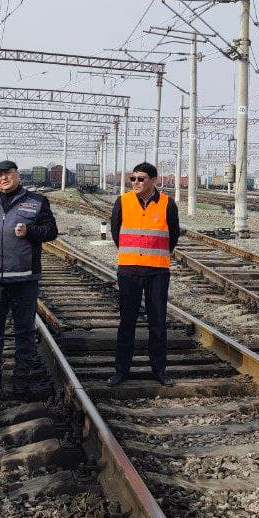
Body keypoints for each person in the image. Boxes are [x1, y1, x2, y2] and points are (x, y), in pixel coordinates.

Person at [0, 160, 57, 399]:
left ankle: (22, 383)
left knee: (25, 333)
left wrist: (30, 231)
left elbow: (51, 231)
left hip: (24, 280)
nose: (4, 178)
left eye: (8, 174)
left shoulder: (37, 202)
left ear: (16, 175)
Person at [108, 162, 180, 388]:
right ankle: (121, 371)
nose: (136, 183)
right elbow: (116, 231)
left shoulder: (168, 204)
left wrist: (155, 256)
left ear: (154, 180)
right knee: (126, 322)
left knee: (158, 323)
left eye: (141, 179)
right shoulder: (123, 201)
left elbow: (174, 235)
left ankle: (159, 370)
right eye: (133, 179)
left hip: (157, 271)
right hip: (129, 270)